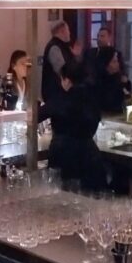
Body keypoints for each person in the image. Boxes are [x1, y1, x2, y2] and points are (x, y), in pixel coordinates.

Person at [42, 59, 105, 191]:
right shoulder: (92, 98)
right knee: (89, 198)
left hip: (63, 155)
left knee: (63, 198)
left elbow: (37, 116)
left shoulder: (61, 99)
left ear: (67, 81)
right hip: (90, 155)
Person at [41, 20, 82, 104]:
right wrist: (75, 58)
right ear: (62, 31)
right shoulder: (54, 47)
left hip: (60, 95)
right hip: (55, 95)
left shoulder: (63, 46)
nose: (69, 33)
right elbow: (65, 71)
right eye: (68, 30)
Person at [93, 46, 132, 115]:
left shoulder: (119, 79)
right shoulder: (98, 83)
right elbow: (109, 105)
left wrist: (125, 84)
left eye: (117, 61)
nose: (118, 64)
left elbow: (128, 99)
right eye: (114, 62)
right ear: (105, 64)